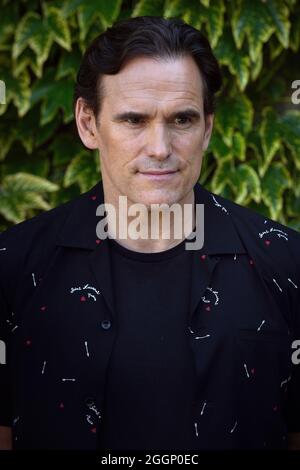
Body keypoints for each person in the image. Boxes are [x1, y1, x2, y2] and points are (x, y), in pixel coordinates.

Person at [0, 15, 300, 451]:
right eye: (134, 120)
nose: (160, 148)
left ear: (208, 127)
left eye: (182, 119)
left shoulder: (286, 263)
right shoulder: (13, 265)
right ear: (88, 124)